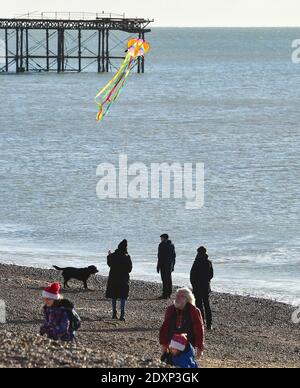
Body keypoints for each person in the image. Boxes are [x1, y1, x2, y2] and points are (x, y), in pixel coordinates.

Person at [159, 288, 205, 359]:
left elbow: (199, 330)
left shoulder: (194, 311)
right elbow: (165, 327)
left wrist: (199, 347)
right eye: (177, 296)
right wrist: (163, 344)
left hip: (188, 344)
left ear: (187, 299)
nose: (177, 298)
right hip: (171, 343)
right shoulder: (170, 309)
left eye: (180, 296)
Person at [106, 239, 133, 321]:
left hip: (113, 277)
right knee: (123, 297)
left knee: (114, 296)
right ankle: (122, 315)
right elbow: (129, 269)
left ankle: (114, 313)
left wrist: (109, 255)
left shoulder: (113, 255)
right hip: (123, 278)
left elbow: (109, 264)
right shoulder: (127, 256)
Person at [190, 246, 214, 330]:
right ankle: (209, 324)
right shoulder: (209, 262)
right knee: (207, 305)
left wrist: (193, 286)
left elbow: (192, 276)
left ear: (198, 253)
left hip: (197, 287)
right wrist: (207, 281)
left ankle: (201, 322)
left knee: (199, 305)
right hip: (206, 286)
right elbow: (211, 275)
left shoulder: (196, 262)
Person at [157, 234, 176, 299]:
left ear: (164, 238)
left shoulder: (161, 245)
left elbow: (160, 256)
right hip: (170, 264)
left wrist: (158, 266)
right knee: (169, 279)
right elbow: (174, 256)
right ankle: (169, 293)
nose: (161, 239)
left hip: (163, 264)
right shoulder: (171, 245)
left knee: (164, 279)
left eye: (161, 238)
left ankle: (165, 294)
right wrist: (173, 265)